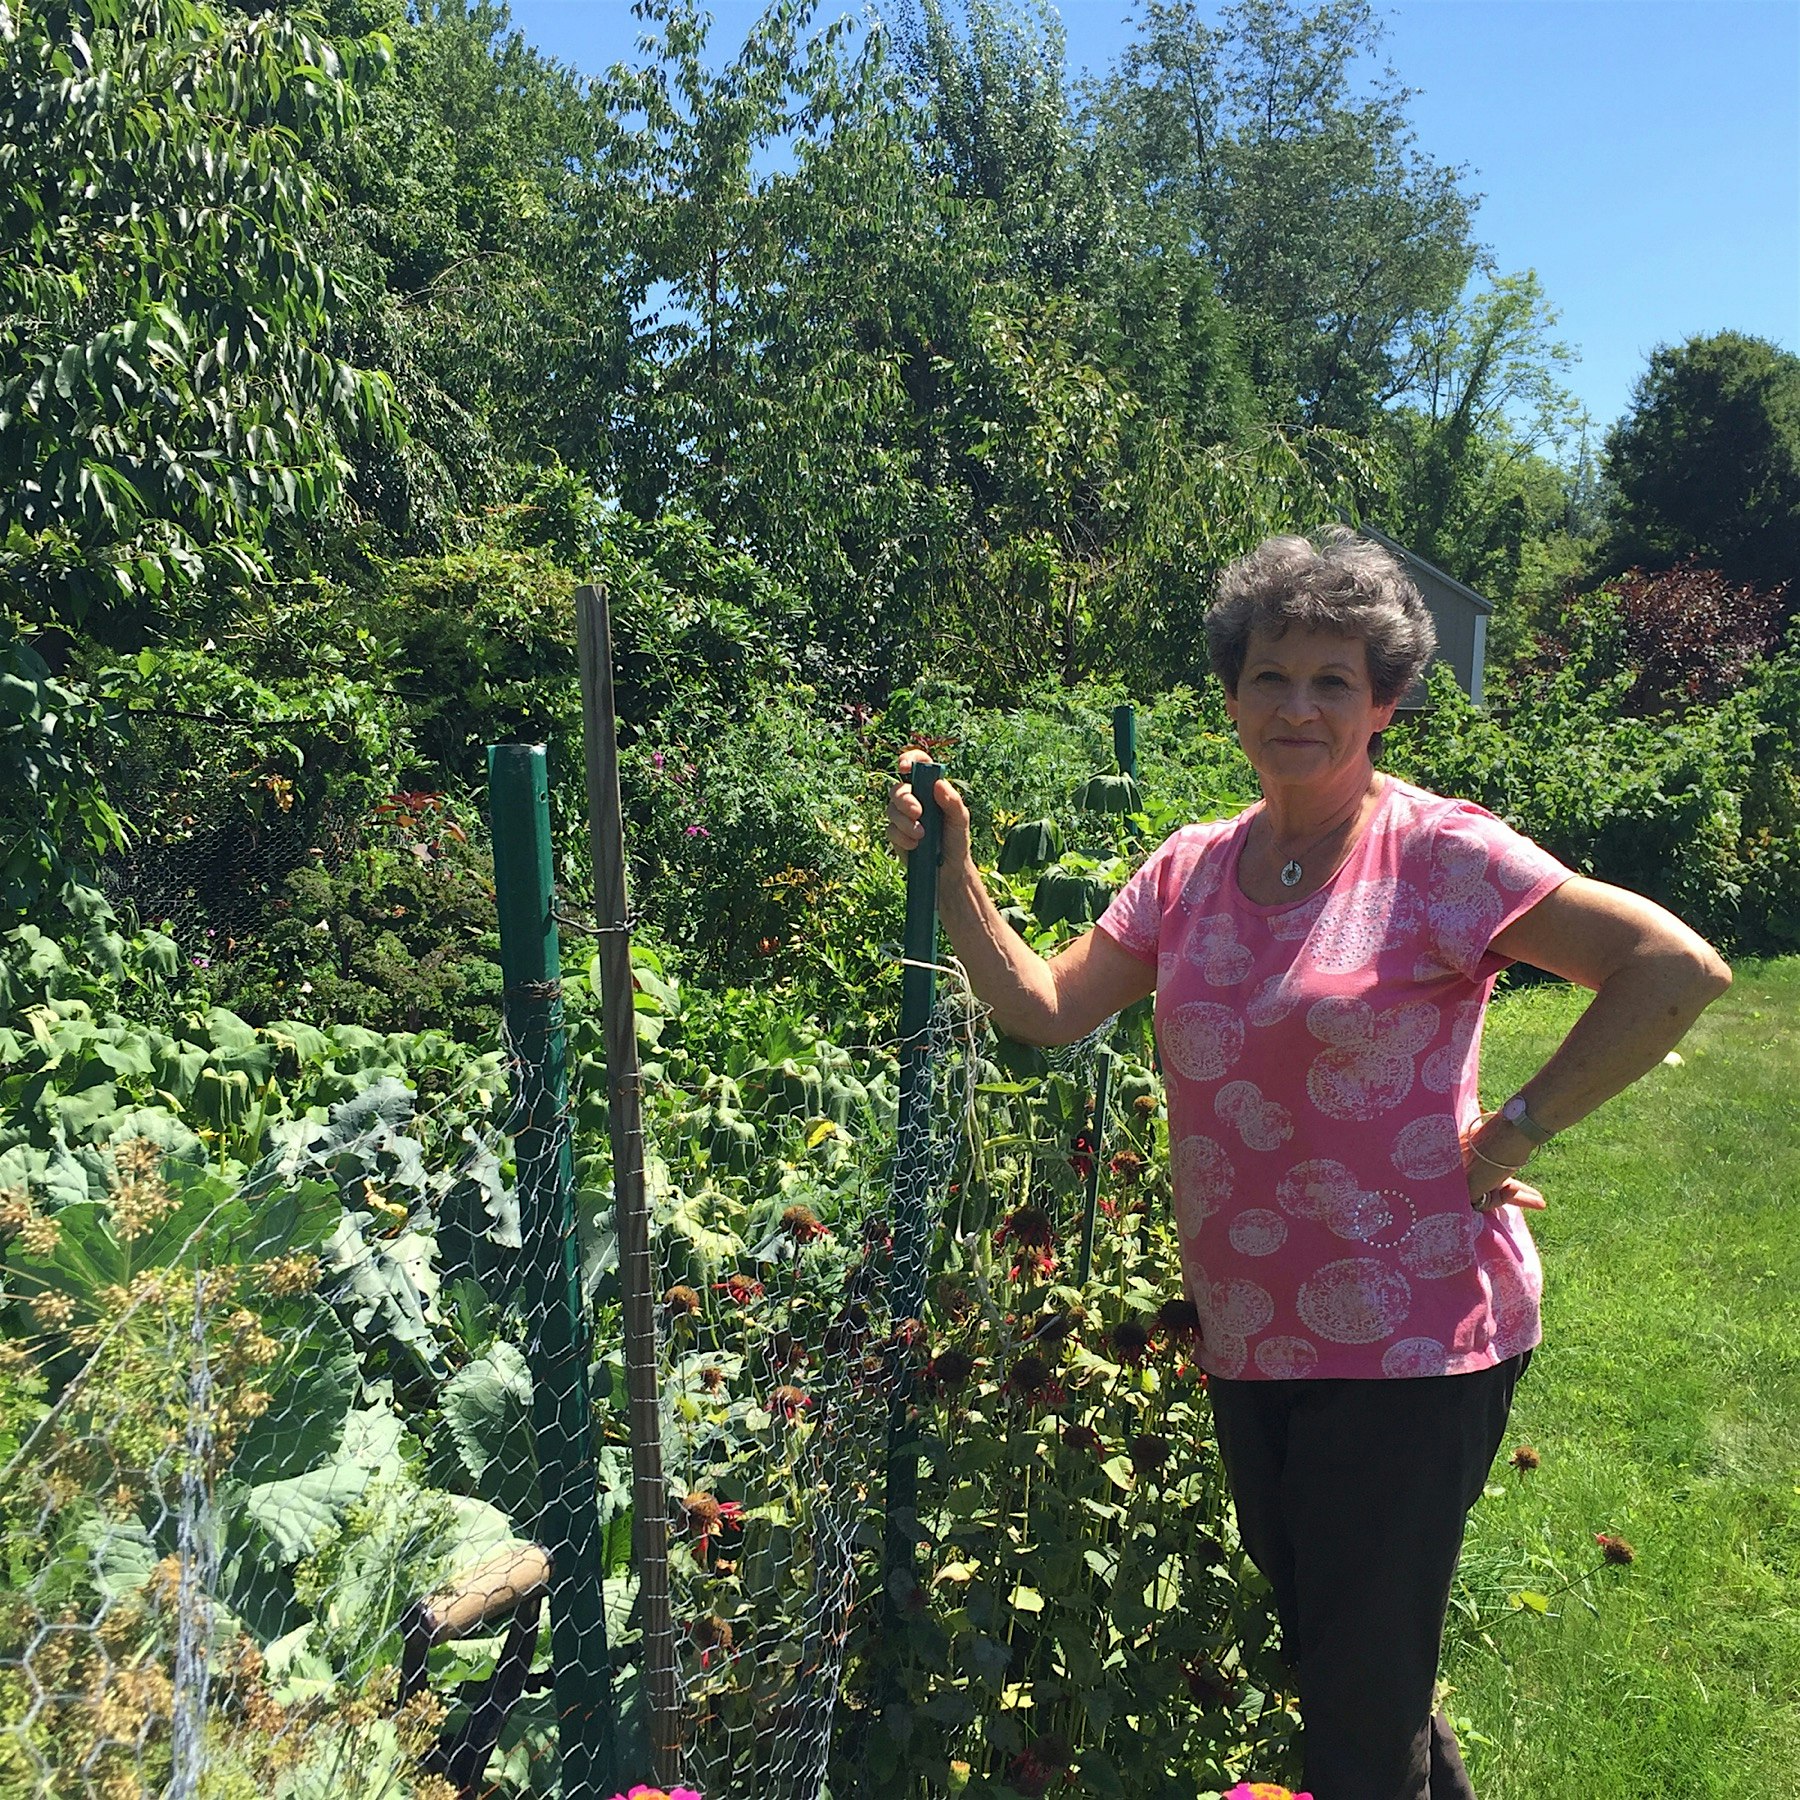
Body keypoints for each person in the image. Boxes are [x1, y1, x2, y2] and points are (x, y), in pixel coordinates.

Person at [886, 528, 1731, 1800]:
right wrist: (953, 876)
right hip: (1254, 1333)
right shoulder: (1189, 871)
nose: (1297, 706)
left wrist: (1510, 1133)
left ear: (1384, 702)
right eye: (1271, 675)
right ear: (1230, 696)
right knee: (1355, 1665)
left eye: (1334, 680)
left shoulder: (1441, 856)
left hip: (1413, 1336)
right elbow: (1049, 1008)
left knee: (1354, 1696)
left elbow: (1674, 969)